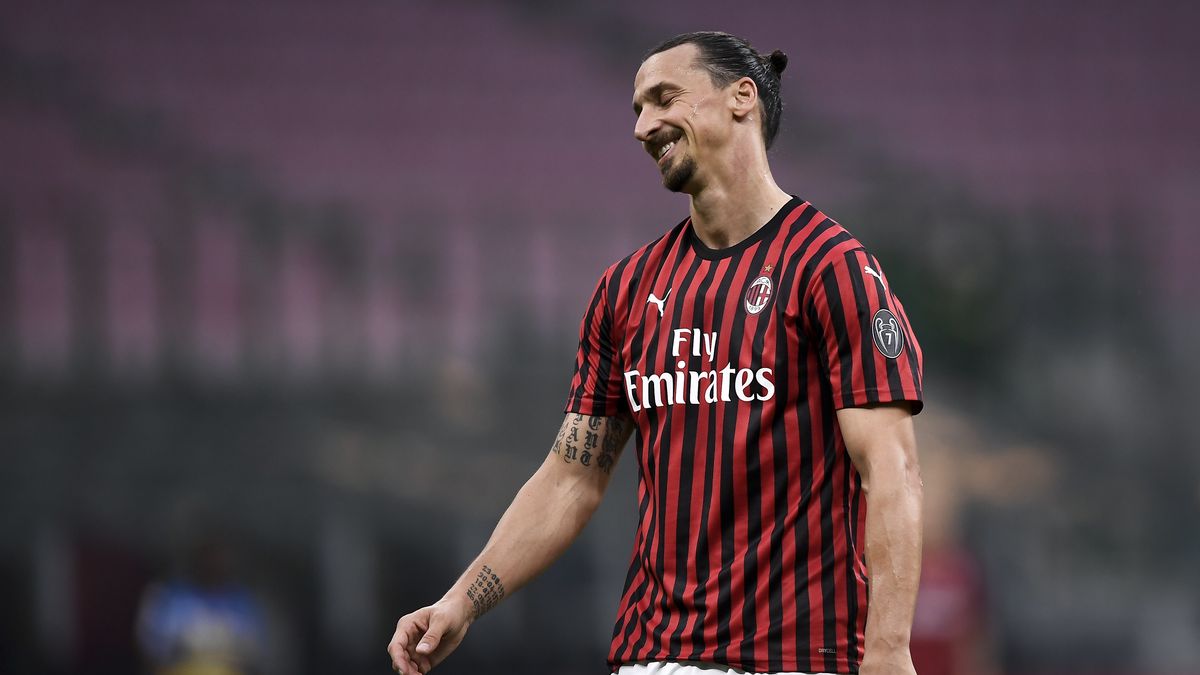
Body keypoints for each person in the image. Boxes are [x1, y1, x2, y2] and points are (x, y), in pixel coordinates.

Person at [389, 31, 925, 675]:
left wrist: (889, 651)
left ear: (741, 98)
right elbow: (571, 478)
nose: (645, 126)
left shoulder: (830, 268)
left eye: (664, 99)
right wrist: (460, 603)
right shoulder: (626, 291)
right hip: (653, 657)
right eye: (637, 111)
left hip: (794, 656)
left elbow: (890, 472)